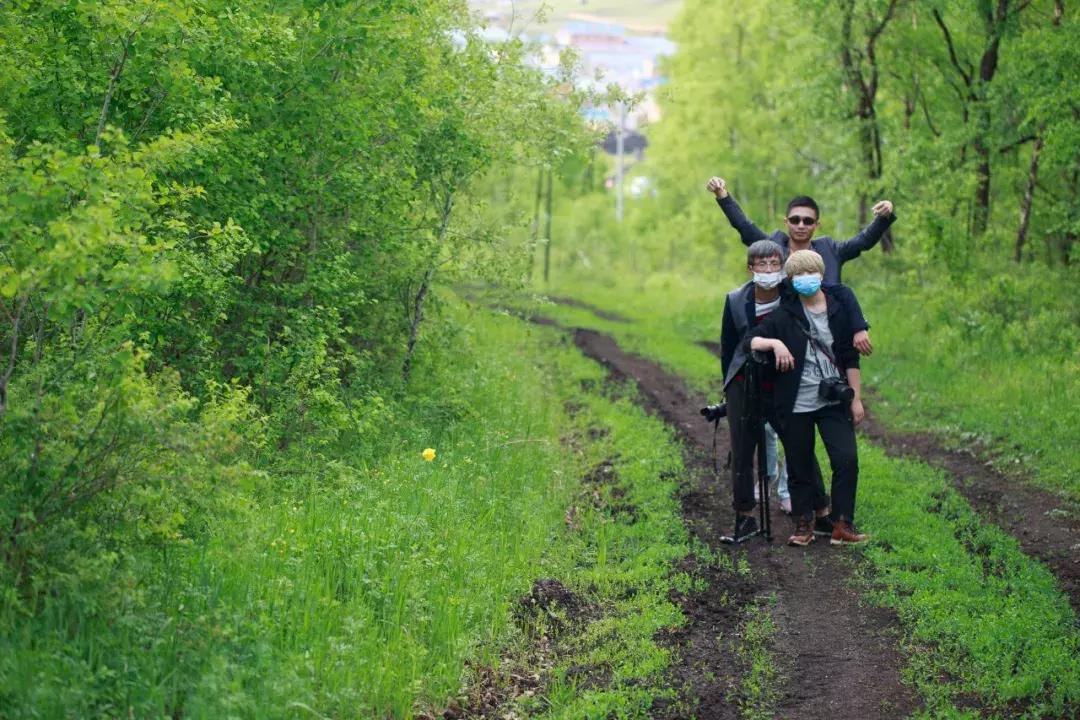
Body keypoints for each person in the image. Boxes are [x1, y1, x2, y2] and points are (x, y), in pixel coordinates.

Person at [720, 241, 869, 541]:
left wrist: (860, 326)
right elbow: (740, 343)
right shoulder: (759, 305)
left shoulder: (819, 299)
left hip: (810, 390)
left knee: (829, 457)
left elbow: (843, 302)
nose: (768, 270)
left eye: (774, 263)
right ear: (751, 268)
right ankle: (760, 517)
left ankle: (833, 519)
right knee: (764, 453)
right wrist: (772, 346)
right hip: (769, 388)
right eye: (761, 264)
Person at [706, 176, 896, 355]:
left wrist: (884, 216)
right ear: (786, 222)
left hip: (828, 336)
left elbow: (862, 241)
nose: (801, 225)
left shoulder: (831, 250)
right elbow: (745, 226)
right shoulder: (773, 247)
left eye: (808, 221)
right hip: (781, 334)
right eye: (795, 220)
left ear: (817, 225)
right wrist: (723, 196)